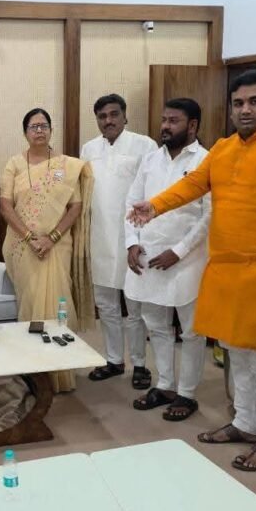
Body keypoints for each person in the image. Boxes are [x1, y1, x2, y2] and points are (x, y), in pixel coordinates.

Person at [129, 70, 256, 471]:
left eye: (254, 101)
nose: (245, 109)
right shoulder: (223, 148)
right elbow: (193, 185)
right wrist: (155, 205)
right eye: (238, 103)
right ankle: (245, 423)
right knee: (236, 353)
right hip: (225, 269)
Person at [125, 98, 211, 421]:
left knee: (191, 330)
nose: (165, 126)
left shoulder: (206, 160)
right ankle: (164, 385)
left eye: (173, 121)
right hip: (149, 255)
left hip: (188, 258)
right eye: (164, 120)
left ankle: (187, 394)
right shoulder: (150, 160)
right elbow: (132, 203)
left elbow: (210, 215)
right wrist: (132, 242)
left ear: (193, 125)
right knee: (156, 324)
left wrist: (179, 251)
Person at [0, 108, 94, 392]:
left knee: (57, 306)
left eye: (44, 126)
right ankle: (33, 370)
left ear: (51, 130)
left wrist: (51, 238)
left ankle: (59, 372)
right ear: (25, 132)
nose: (39, 130)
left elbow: (75, 206)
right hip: (22, 246)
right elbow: (5, 206)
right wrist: (31, 238)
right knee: (30, 306)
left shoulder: (66, 166)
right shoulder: (15, 164)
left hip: (56, 245)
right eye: (33, 126)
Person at [80, 94, 157, 389]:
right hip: (99, 237)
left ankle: (140, 364)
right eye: (102, 116)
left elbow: (151, 192)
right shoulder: (89, 149)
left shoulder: (144, 145)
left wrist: (140, 236)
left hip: (133, 237)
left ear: (125, 116)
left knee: (134, 306)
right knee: (106, 305)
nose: (108, 120)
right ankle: (113, 360)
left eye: (114, 114)